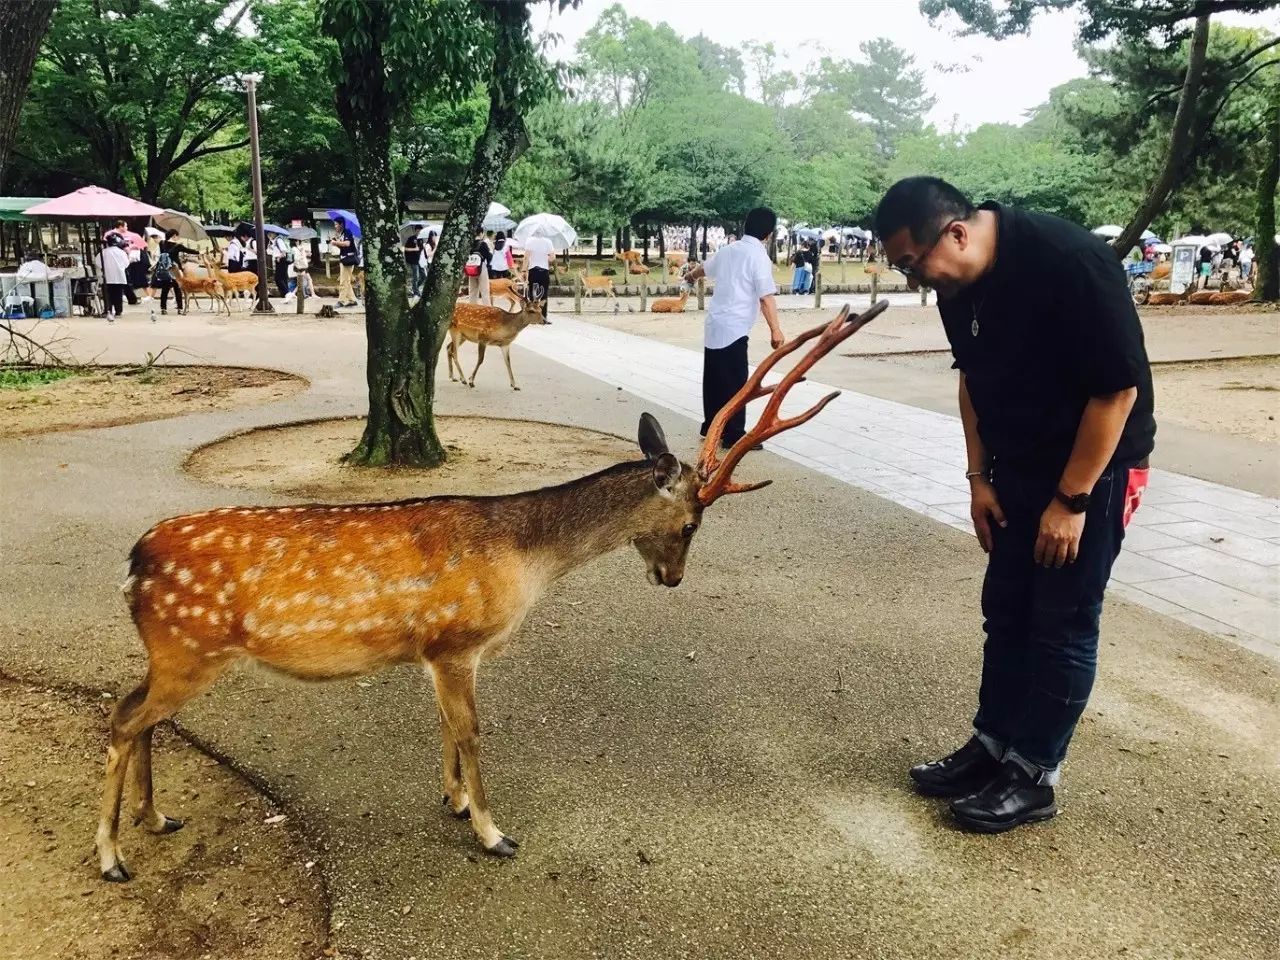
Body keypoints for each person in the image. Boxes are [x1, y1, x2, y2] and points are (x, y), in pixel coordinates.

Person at [876, 176, 1155, 833]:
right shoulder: (957, 285)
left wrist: (1072, 499)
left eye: (913, 264)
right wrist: (979, 477)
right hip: (1016, 469)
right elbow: (972, 379)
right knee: (1007, 610)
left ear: (957, 232)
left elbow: (1117, 394)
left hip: (1094, 469)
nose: (918, 281)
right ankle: (994, 745)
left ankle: (1034, 774)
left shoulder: (1070, 262)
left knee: (1060, 620)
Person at [683, 207, 783, 450]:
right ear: (768, 234)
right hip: (735, 328)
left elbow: (703, 269)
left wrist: (690, 276)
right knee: (737, 384)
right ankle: (734, 434)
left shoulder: (728, 250)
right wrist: (776, 330)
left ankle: (711, 427)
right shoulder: (758, 257)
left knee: (714, 380)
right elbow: (765, 298)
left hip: (715, 325)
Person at [153, 229, 197, 315]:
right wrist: (199, 252)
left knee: (165, 289)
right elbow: (189, 250)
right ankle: (180, 308)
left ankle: (163, 308)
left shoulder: (162, 243)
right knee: (177, 289)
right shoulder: (178, 246)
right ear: (174, 236)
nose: (178, 238)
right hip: (175, 270)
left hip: (165, 270)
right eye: (177, 236)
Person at [95, 233, 131, 321]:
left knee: (108, 295)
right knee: (118, 294)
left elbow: (98, 263)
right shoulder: (122, 252)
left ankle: (108, 310)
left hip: (107, 277)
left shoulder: (103, 252)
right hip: (119, 276)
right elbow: (126, 264)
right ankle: (118, 311)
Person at [522, 231, 554, 317]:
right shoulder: (548, 241)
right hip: (544, 271)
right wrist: (545, 256)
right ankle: (543, 317)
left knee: (533, 294)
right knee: (544, 294)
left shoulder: (529, 241)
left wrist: (524, 270)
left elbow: (526, 257)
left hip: (533, 271)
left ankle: (533, 316)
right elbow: (552, 258)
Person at [331, 218, 359, 307]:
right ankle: (352, 300)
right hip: (344, 259)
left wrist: (335, 242)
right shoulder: (342, 233)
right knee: (347, 281)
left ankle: (341, 301)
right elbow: (343, 247)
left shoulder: (347, 232)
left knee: (343, 281)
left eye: (336, 224)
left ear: (341, 224)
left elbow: (347, 244)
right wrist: (336, 242)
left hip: (348, 260)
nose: (335, 226)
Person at [467, 229, 491, 304]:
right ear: (481, 233)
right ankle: (487, 312)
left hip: (471, 268)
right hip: (481, 268)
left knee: (472, 292)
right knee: (485, 291)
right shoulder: (483, 244)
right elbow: (489, 257)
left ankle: (472, 310)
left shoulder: (469, 244)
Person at [271, 233, 292, 298]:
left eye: (270, 234)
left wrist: (279, 257)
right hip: (280, 260)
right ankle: (284, 294)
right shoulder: (276, 240)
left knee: (278, 278)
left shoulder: (278, 240)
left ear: (274, 233)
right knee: (283, 278)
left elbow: (284, 251)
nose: (269, 235)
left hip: (280, 260)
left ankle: (287, 293)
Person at [403, 229, 422, 298]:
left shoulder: (421, 239)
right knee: (416, 276)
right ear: (415, 231)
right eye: (418, 231)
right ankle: (416, 291)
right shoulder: (411, 238)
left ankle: (414, 288)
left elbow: (421, 249)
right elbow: (406, 249)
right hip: (413, 260)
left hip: (420, 260)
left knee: (423, 276)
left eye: (420, 230)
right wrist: (414, 249)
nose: (419, 232)